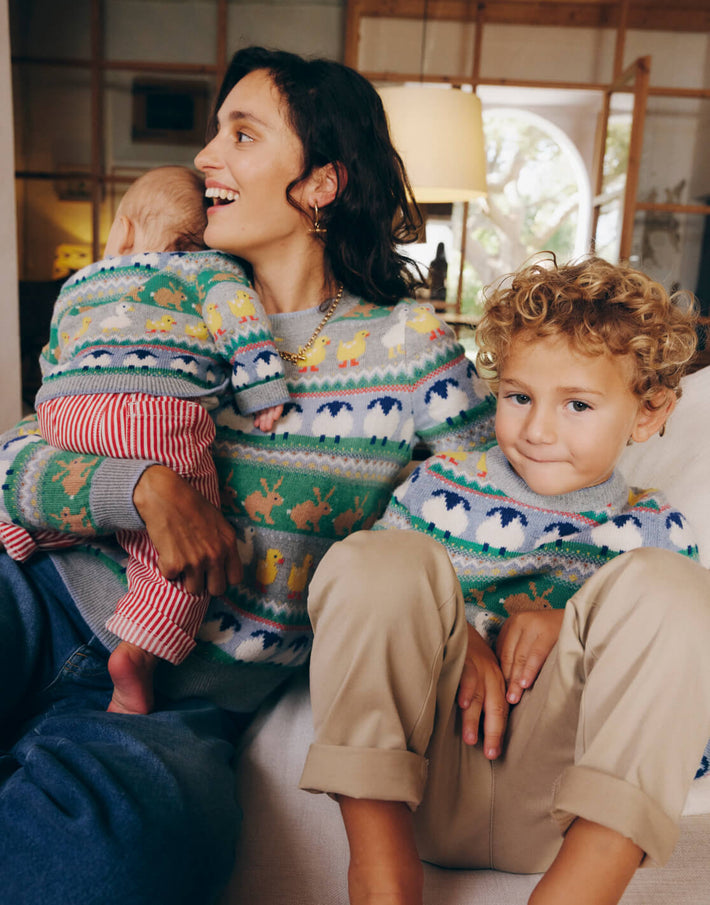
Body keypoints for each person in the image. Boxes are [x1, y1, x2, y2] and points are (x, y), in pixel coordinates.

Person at [0, 47, 496, 905]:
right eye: (211, 133)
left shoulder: (411, 350)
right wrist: (142, 484)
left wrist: (485, 615)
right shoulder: (162, 288)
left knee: (109, 865)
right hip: (34, 595)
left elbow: (480, 507)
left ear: (321, 184)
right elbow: (17, 455)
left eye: (242, 133)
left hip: (178, 695)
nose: (203, 159)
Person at [299, 255, 710, 905]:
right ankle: (382, 874)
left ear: (649, 412)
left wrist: (572, 627)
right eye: (519, 397)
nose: (539, 428)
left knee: (683, 592)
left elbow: (684, 725)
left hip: (570, 801)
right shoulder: (438, 487)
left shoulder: (659, 530)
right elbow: (364, 621)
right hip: (420, 774)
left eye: (577, 403)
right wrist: (463, 635)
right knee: (369, 559)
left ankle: (580, 889)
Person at [0, 165, 290, 716]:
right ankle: (141, 651)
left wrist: (55, 401)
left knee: (73, 484)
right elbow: (240, 322)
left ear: (123, 232)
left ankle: (16, 531)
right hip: (156, 413)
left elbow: (53, 355)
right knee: (176, 547)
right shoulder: (211, 271)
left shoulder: (84, 281)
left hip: (66, 411)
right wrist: (264, 388)